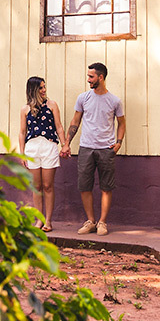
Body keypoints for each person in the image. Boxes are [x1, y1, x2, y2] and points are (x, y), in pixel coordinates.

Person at [66, 62, 125, 236]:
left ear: (101, 77)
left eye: (91, 76)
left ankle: (102, 222)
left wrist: (119, 142)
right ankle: (90, 221)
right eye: (88, 76)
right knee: (85, 186)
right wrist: (67, 142)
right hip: (86, 148)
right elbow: (75, 122)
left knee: (106, 187)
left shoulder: (114, 101)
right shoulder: (83, 98)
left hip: (106, 149)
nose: (88, 80)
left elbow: (121, 123)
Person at [17, 76, 69, 231]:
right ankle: (39, 220)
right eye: (40, 87)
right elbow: (21, 132)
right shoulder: (25, 109)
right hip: (32, 148)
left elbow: (59, 126)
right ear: (33, 90)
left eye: (44, 87)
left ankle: (48, 221)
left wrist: (65, 144)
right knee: (36, 186)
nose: (44, 90)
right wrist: (22, 153)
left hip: (49, 146)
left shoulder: (52, 105)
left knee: (47, 185)